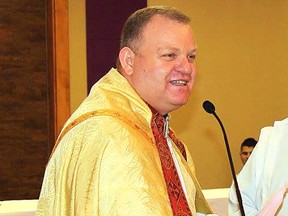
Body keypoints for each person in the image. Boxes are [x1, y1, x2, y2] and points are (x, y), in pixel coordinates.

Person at [36, 6, 216, 216]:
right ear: (129, 61)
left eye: (191, 57)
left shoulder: (159, 133)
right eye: (169, 55)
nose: (186, 68)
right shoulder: (108, 134)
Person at [229, 118, 288, 215]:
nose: (247, 156)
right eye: (245, 153)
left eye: (250, 153)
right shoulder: (272, 141)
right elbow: (242, 200)